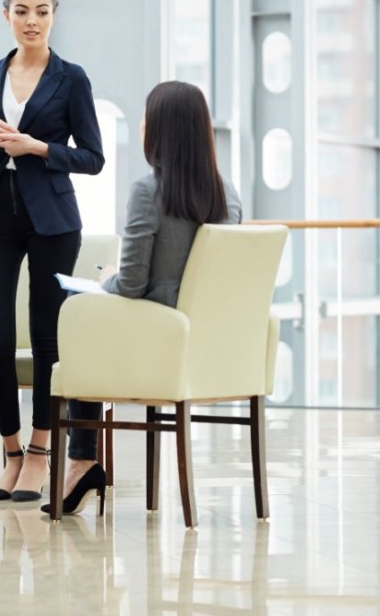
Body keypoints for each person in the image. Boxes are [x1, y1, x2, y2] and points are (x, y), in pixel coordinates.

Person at [43, 80, 242, 516]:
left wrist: (109, 278)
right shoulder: (230, 196)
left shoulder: (148, 190)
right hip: (206, 346)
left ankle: (82, 459)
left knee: (81, 322)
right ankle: (83, 463)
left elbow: (132, 284)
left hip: (155, 342)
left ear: (161, 130)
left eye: (147, 117)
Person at [0, 0, 105, 504]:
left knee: (47, 336)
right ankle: (12, 451)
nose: (32, 21)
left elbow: (92, 157)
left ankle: (43, 452)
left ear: (54, 16)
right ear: (6, 16)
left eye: (42, 12)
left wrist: (40, 148)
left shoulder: (72, 78)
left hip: (53, 217)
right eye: (21, 12)